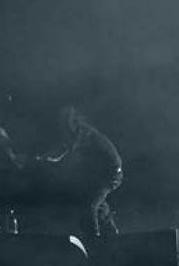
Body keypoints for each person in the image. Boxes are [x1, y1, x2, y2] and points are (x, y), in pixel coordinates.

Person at [42, 106, 123, 248]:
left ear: (71, 122)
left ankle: (93, 243)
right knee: (99, 206)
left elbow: (64, 150)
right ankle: (113, 236)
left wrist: (45, 158)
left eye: (63, 122)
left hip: (110, 174)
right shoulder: (77, 134)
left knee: (89, 206)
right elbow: (62, 149)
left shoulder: (83, 133)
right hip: (100, 176)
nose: (61, 126)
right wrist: (44, 157)